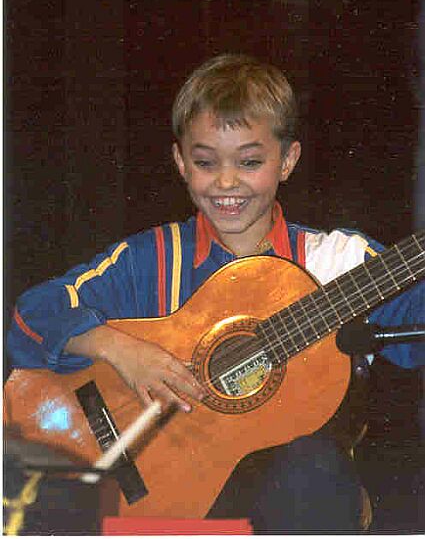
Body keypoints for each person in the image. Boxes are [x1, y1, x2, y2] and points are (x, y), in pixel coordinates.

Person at [7, 54, 425, 532]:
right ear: (181, 163)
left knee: (311, 467)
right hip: (158, 502)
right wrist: (118, 348)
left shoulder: (339, 262)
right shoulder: (151, 260)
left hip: (295, 504)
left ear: (287, 160)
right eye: (206, 162)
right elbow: (31, 318)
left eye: (250, 162)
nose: (227, 182)